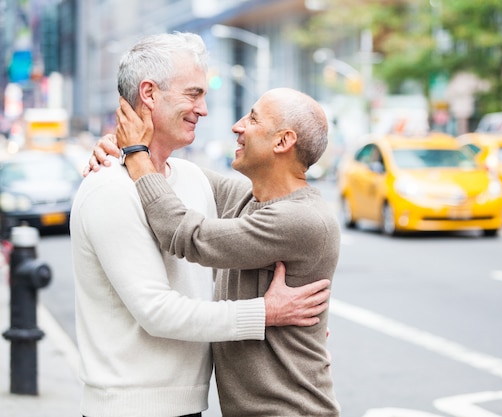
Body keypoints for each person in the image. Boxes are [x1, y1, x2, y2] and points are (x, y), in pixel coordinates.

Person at [71, 33, 330, 417]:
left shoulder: (190, 179)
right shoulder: (109, 189)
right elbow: (157, 310)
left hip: (194, 406)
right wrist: (265, 314)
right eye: (194, 94)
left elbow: (197, 245)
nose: (205, 110)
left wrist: (296, 336)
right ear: (149, 94)